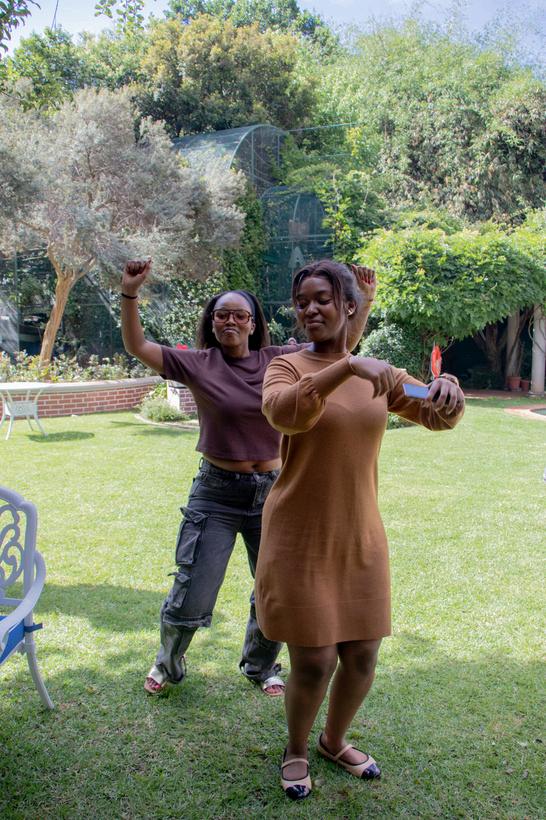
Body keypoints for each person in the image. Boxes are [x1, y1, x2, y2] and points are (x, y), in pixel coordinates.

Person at [254, 259, 464, 799]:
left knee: (363, 653)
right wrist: (347, 367)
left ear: (349, 306)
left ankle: (333, 741)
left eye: (322, 299)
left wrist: (446, 390)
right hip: (299, 536)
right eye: (302, 301)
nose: (310, 309)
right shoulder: (286, 366)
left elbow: (435, 412)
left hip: (359, 534)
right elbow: (286, 413)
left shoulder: (380, 374)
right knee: (315, 659)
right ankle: (296, 749)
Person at [120, 258, 377, 697]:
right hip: (216, 492)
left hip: (275, 491)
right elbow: (137, 346)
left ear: (254, 323)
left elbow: (340, 350)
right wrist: (130, 294)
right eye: (222, 315)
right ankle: (168, 661)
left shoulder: (280, 359)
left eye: (240, 315)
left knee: (274, 588)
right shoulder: (198, 363)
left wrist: (364, 302)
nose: (231, 321)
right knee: (194, 587)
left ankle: (260, 665)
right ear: (212, 322)